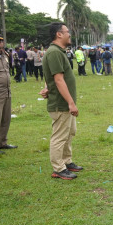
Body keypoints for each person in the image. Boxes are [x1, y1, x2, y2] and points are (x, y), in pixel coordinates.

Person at [40, 22, 83, 180]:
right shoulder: (54, 52)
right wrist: (71, 103)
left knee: (70, 133)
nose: (69, 34)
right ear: (59, 34)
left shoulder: (59, 51)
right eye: (67, 32)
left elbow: (52, 76)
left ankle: (66, 161)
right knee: (59, 136)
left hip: (65, 102)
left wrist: (46, 87)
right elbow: (58, 80)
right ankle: (58, 168)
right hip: (60, 103)